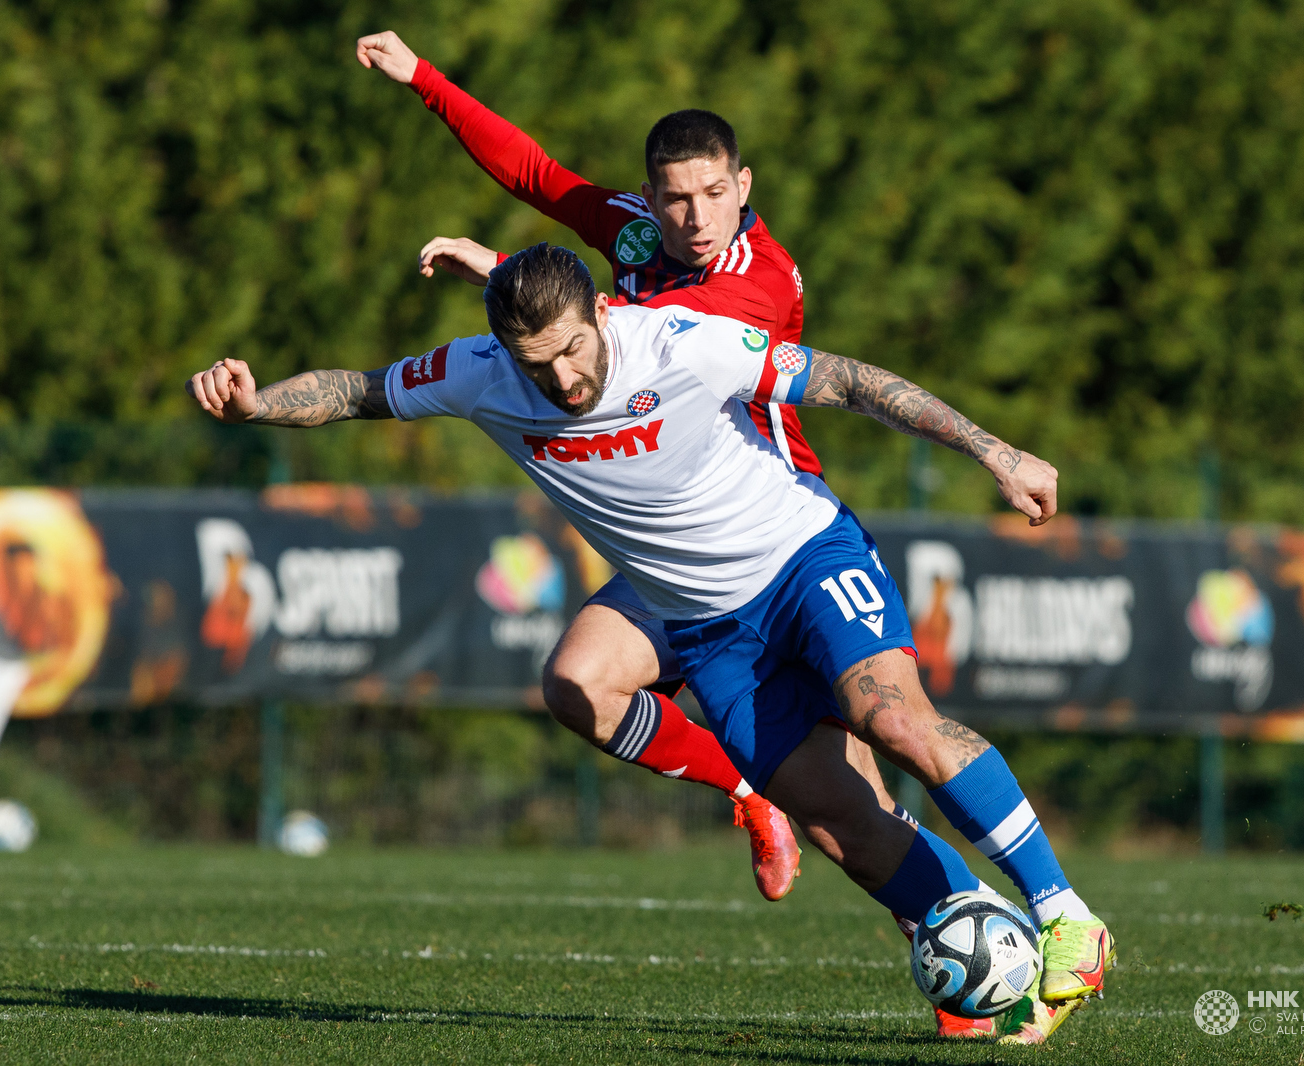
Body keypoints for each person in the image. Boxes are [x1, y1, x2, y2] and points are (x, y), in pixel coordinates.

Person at [187, 244, 1116, 1044]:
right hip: (707, 631)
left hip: (801, 556)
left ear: (602, 311)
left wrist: (997, 452)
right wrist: (258, 403)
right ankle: (973, 955)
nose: (557, 380)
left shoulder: (681, 340)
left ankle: (1068, 916)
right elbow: (357, 391)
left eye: (570, 350)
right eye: (531, 362)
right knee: (850, 834)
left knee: (896, 721)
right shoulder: (479, 372)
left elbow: (850, 381)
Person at [353, 29, 908, 906]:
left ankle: (951, 940)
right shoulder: (643, 234)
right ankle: (743, 788)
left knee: (855, 813)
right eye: (675, 197)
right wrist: (424, 78)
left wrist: (502, 275)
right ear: (651, 194)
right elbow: (538, 176)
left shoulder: (755, 283)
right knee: (578, 683)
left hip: (768, 531)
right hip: (666, 546)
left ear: (742, 189)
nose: (693, 217)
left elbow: (652, 344)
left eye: (712, 195)